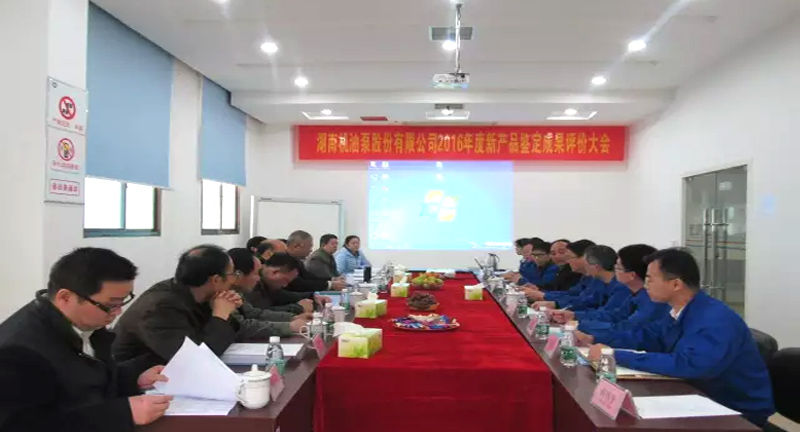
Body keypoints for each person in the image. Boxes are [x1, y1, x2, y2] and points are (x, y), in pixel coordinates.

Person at [585, 249, 774, 426]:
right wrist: (594, 338)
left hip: (737, 411)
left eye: (650, 279)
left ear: (676, 284)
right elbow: (649, 337)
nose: (645, 285)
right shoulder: (681, 310)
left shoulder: (714, 319)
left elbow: (687, 365)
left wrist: (615, 355)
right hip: (699, 395)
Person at [0, 248, 172, 431]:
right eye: (111, 305)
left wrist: (132, 380)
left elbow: (83, 378)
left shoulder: (86, 321)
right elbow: (22, 426)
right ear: (65, 297)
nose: (117, 312)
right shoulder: (17, 351)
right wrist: (123, 414)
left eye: (122, 302)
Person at [113, 245, 242, 366]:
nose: (234, 280)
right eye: (233, 274)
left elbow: (231, 335)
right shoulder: (161, 308)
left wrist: (225, 311)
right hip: (134, 376)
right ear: (216, 280)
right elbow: (194, 359)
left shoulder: (198, 295)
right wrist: (220, 315)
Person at [575, 244, 670, 336]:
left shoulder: (651, 300)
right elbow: (616, 315)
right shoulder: (634, 293)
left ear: (632, 275)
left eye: (618, 268)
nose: (614, 271)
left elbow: (627, 328)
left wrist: (583, 326)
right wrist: (577, 318)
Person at [227, 248, 308, 338]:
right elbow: (242, 327)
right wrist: (289, 326)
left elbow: (254, 314)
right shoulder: (223, 295)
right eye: (255, 274)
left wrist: (292, 318)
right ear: (238, 275)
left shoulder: (236, 292)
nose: (258, 279)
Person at [550, 245, 629, 323]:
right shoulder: (600, 281)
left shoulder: (622, 286)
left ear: (596, 266)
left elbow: (609, 315)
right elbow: (587, 302)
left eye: (585, 263)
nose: (584, 266)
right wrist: (563, 311)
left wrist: (575, 315)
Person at [246, 253, 329, 314]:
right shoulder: (252, 284)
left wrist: (312, 296)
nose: (285, 285)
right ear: (274, 272)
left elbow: (284, 295)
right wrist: (298, 308)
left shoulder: (267, 283)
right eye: (285, 281)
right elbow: (260, 313)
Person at [526, 239, 596, 304]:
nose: (568, 261)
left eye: (562, 253)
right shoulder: (585, 277)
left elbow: (585, 302)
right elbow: (570, 293)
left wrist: (545, 296)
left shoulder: (596, 278)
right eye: (553, 253)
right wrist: (540, 291)